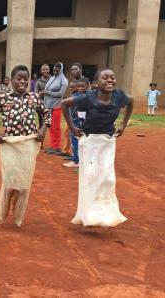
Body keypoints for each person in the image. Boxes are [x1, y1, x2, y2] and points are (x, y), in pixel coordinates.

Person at [61, 68, 134, 228]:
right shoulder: (88, 97)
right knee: (90, 177)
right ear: (96, 83)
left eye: (112, 78)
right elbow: (64, 104)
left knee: (107, 179)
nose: (110, 80)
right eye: (105, 78)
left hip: (107, 141)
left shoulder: (119, 96)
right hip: (89, 142)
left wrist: (123, 125)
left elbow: (131, 101)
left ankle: (106, 214)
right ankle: (87, 215)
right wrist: (72, 128)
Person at [0, 65, 50, 227]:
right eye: (18, 78)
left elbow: (46, 114)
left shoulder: (34, 97)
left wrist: (43, 129)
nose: (22, 81)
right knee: (9, 180)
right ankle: (3, 210)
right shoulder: (3, 98)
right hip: (9, 145)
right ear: (11, 81)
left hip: (29, 143)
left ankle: (18, 214)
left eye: (25, 79)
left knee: (24, 183)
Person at [63, 78, 89, 168]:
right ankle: (81, 160)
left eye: (83, 86)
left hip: (77, 123)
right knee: (81, 142)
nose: (80, 88)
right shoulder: (88, 96)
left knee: (75, 141)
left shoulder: (77, 97)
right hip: (80, 122)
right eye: (79, 86)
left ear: (88, 86)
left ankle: (76, 160)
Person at [43, 62, 68, 155]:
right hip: (48, 106)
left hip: (57, 106)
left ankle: (56, 146)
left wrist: (47, 93)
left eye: (57, 69)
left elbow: (60, 94)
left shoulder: (64, 80)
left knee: (56, 127)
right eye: (53, 69)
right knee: (51, 126)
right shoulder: (52, 78)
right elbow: (47, 90)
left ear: (61, 69)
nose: (55, 71)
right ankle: (52, 145)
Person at [61, 63, 85, 157]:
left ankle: (78, 157)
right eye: (72, 69)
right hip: (73, 113)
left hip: (80, 114)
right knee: (68, 132)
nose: (73, 71)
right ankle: (69, 152)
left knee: (77, 134)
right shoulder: (74, 81)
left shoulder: (84, 81)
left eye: (76, 69)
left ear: (81, 70)